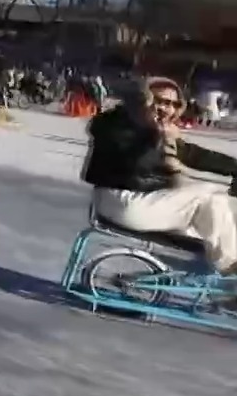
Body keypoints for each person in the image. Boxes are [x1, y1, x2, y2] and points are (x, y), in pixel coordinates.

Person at [83, 77, 237, 272]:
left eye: (173, 104)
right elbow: (134, 163)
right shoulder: (118, 127)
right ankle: (229, 269)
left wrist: (233, 166)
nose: (166, 108)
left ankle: (223, 263)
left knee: (216, 201)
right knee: (208, 196)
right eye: (160, 101)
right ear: (142, 100)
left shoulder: (149, 129)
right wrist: (156, 137)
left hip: (139, 200)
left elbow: (193, 154)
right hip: (124, 203)